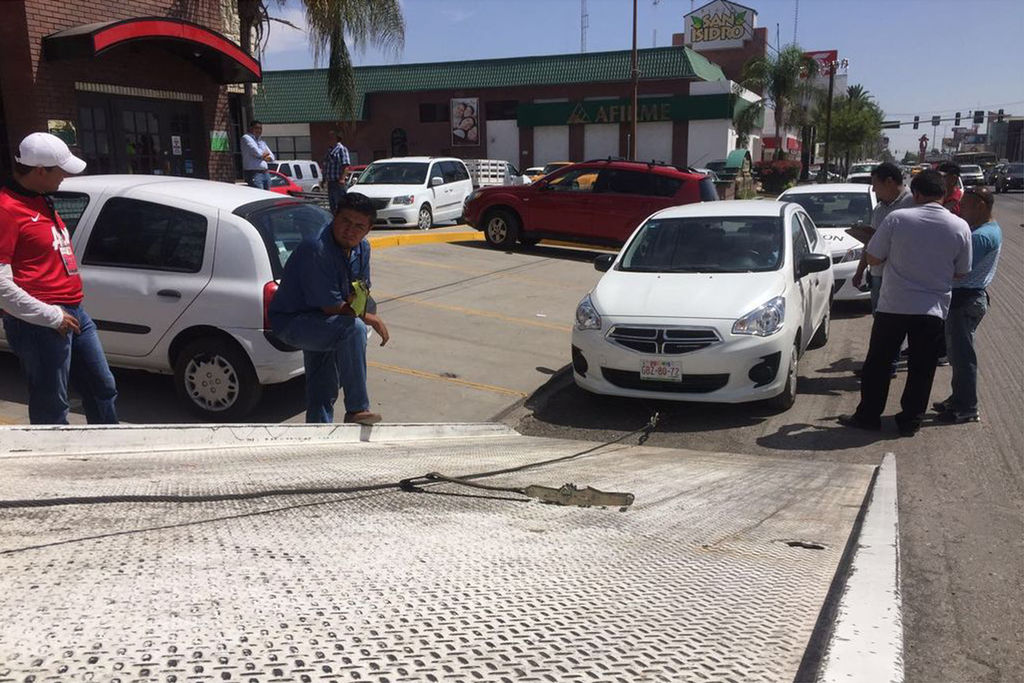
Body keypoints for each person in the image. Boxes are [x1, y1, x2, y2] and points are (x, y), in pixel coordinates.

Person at [839, 169, 971, 437]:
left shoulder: (898, 219)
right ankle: (910, 421)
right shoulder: (960, 226)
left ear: (917, 194)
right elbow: (962, 272)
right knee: (922, 368)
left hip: (894, 305)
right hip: (933, 309)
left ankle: (868, 416)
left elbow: (874, 258)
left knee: (878, 364)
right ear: (942, 195)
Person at [0, 132, 118, 425]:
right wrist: (50, 316)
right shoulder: (6, 210)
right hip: (41, 321)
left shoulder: (42, 199)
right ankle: (56, 464)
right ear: (40, 170)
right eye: (60, 170)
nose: (65, 176)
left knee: (102, 386)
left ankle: (111, 451)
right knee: (51, 403)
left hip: (72, 311)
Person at [268, 192, 390, 424]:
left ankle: (319, 435)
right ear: (335, 216)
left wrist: (360, 307)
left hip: (323, 322)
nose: (350, 230)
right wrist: (370, 318)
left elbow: (360, 292)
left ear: (368, 229)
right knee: (353, 328)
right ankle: (356, 408)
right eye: (345, 221)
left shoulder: (362, 249)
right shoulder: (317, 248)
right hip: (293, 322)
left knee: (323, 388)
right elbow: (331, 306)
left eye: (359, 226)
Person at [934, 186, 1002, 423]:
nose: (961, 209)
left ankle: (966, 407)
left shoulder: (981, 236)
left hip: (966, 300)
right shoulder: (985, 230)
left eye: (967, 205)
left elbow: (959, 269)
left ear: (981, 206)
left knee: (963, 357)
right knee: (957, 354)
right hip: (966, 299)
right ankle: (959, 398)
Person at [852, 162, 916, 377]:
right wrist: (860, 270)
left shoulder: (912, 204)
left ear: (890, 182)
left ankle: (886, 367)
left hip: (899, 276)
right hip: (877, 274)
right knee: (880, 323)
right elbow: (870, 244)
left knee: (893, 325)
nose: (874, 190)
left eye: (875, 185)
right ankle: (880, 365)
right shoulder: (880, 208)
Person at [322, 131, 351, 214]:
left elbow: (346, 165)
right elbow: (326, 166)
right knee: (332, 206)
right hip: (330, 182)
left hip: (338, 183)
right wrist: (324, 180)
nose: (329, 139)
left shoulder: (342, 149)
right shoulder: (329, 151)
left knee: (340, 205)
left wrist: (342, 179)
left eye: (331, 137)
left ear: (337, 138)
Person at [241, 120, 274, 189]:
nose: (259, 130)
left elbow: (272, 157)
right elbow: (257, 153)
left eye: (260, 128)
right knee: (259, 194)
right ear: (251, 128)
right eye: (256, 128)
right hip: (254, 173)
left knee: (268, 196)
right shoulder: (246, 138)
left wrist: (264, 156)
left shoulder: (261, 141)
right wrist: (263, 156)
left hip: (265, 172)